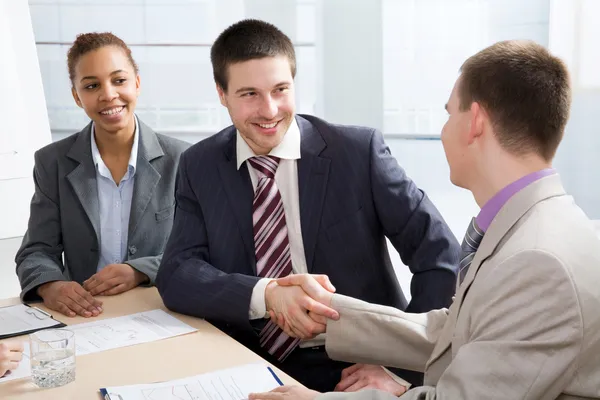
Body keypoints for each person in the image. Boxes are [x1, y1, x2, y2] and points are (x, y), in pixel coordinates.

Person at [249, 40, 600, 400]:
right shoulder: (537, 226)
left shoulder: (538, 262)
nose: (444, 131)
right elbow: (457, 332)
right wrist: (327, 315)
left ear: (475, 122)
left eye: (450, 114)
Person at [156, 19, 460, 393]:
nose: (269, 110)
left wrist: (403, 366)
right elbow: (177, 273)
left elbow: (443, 257)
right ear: (222, 93)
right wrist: (266, 295)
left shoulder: (357, 153)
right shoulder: (199, 164)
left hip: (358, 365)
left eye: (280, 89)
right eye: (249, 94)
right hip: (245, 360)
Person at [15, 32, 189, 318]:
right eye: (92, 85)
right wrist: (50, 284)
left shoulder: (182, 159)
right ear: (77, 96)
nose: (108, 94)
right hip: (87, 316)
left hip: (163, 311)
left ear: (137, 83)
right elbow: (35, 250)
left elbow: (198, 252)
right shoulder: (52, 162)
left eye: (119, 80)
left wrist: (139, 271)